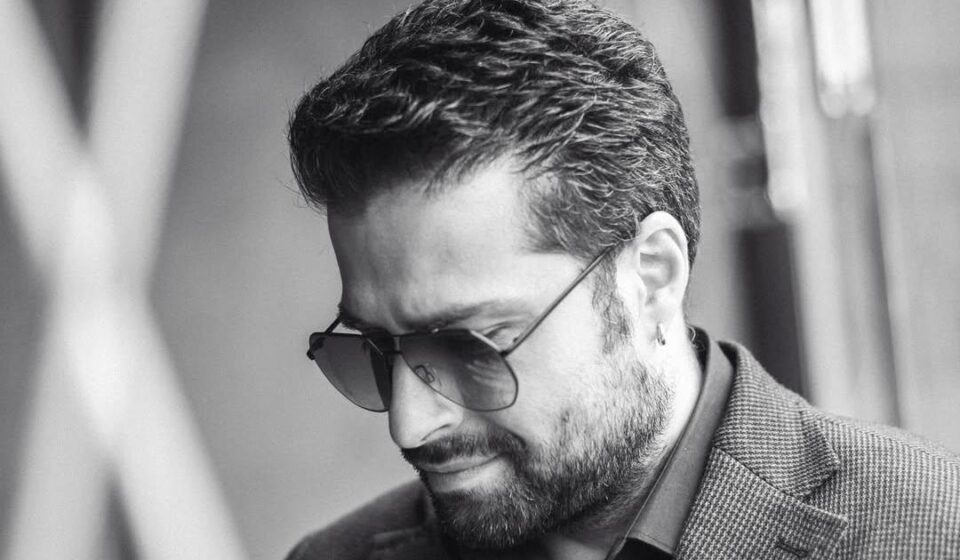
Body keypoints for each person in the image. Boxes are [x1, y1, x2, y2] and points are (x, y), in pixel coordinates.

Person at [283, 0, 960, 558]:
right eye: (376, 349)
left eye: (469, 346)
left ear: (653, 276)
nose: (409, 424)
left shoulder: (929, 534)